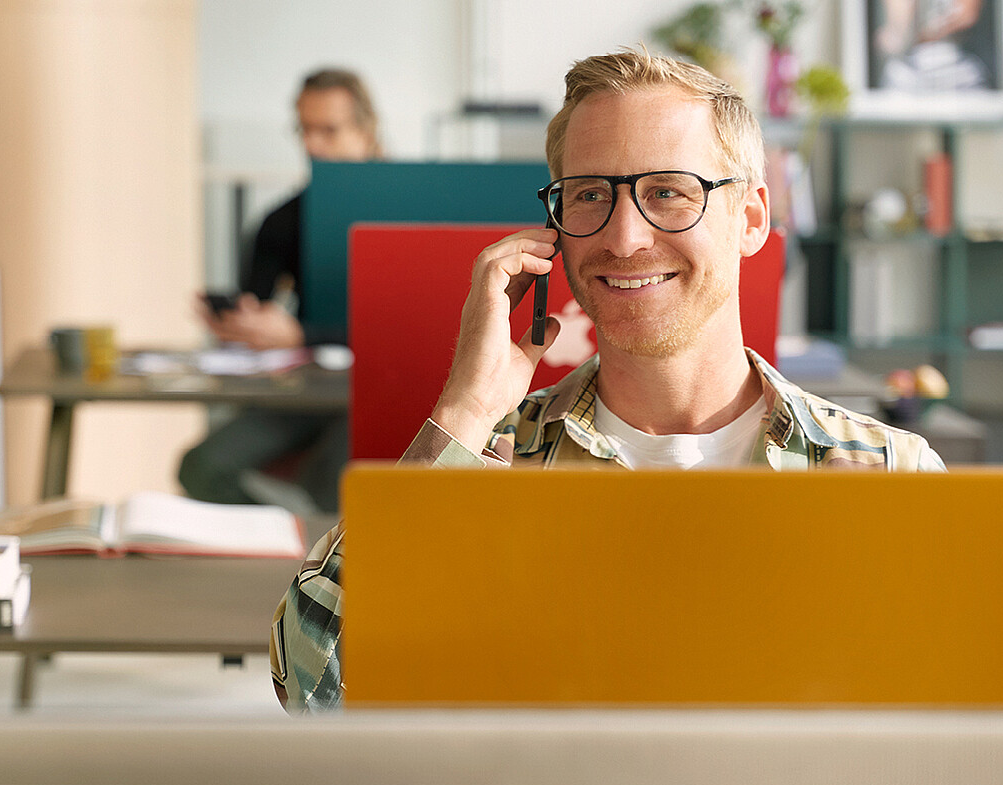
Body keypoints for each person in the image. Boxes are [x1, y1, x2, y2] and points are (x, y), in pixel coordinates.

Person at [270, 47, 945, 714]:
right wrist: (466, 412)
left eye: (668, 193)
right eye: (590, 194)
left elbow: (949, 732)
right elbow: (311, 687)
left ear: (751, 218)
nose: (623, 237)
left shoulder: (887, 472)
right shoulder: (487, 463)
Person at [178, 68, 381, 513]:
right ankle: (285, 541)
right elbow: (258, 302)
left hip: (385, 388)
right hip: (307, 392)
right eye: (305, 130)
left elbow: (416, 329)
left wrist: (300, 336)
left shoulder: (418, 208)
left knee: (329, 479)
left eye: (328, 130)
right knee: (200, 467)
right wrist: (243, 324)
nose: (312, 145)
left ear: (366, 133)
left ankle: (326, 568)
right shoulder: (282, 221)